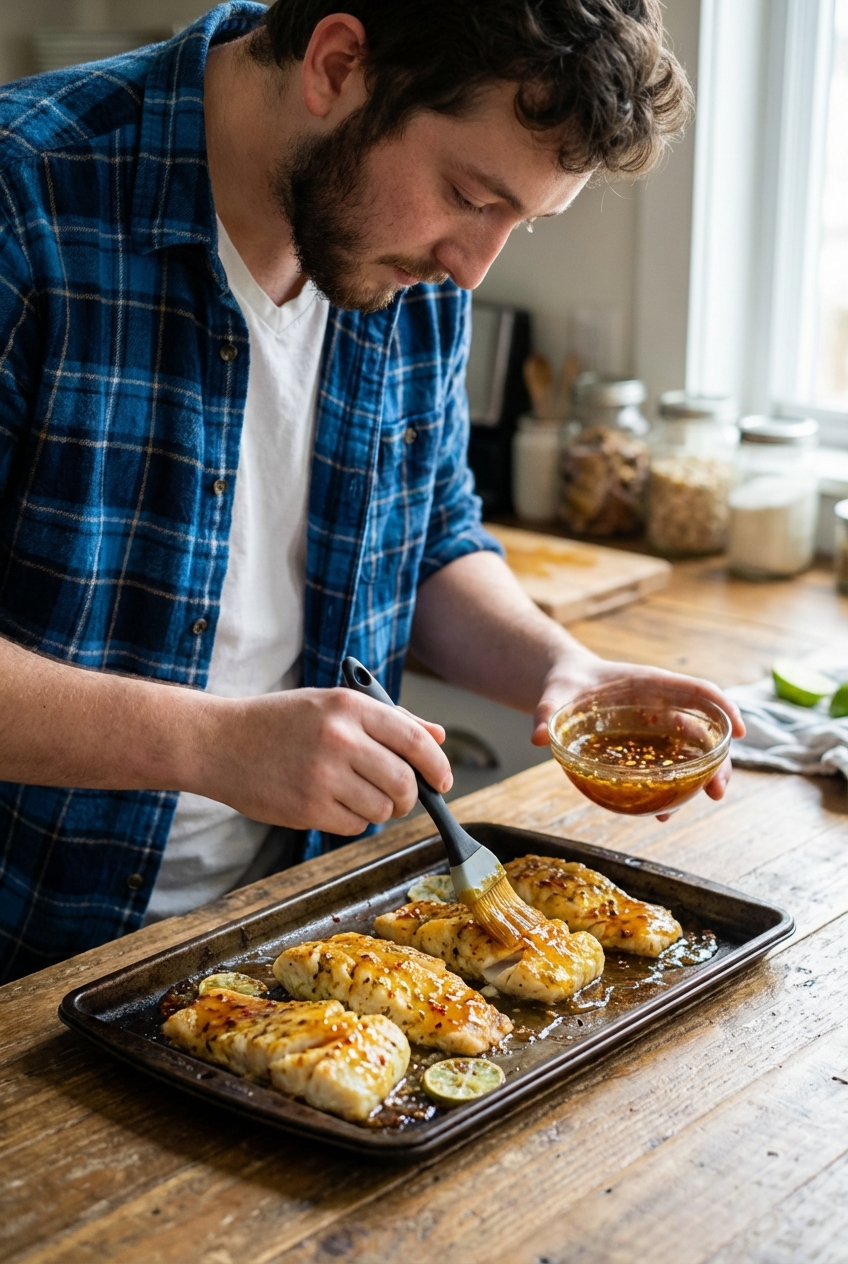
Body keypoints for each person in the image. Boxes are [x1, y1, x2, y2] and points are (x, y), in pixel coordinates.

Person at [0, 0, 743, 983]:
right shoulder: (26, 199)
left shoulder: (405, 261)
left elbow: (427, 534)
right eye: (471, 194)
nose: (472, 265)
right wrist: (208, 743)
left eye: (517, 219)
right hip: (29, 953)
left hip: (285, 943)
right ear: (337, 63)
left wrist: (556, 668)